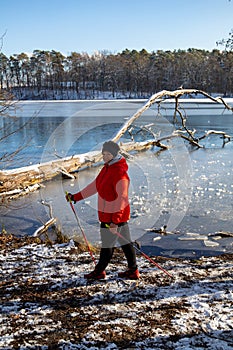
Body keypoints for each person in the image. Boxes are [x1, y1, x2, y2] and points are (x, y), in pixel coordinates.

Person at [66, 140, 140, 280]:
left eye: (108, 154)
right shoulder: (106, 168)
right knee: (125, 244)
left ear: (115, 154)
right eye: (103, 154)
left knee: (107, 246)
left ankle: (99, 271)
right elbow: (95, 186)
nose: (105, 157)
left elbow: (122, 198)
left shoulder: (120, 173)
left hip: (114, 217)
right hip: (107, 216)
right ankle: (133, 270)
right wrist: (75, 197)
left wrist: (115, 222)